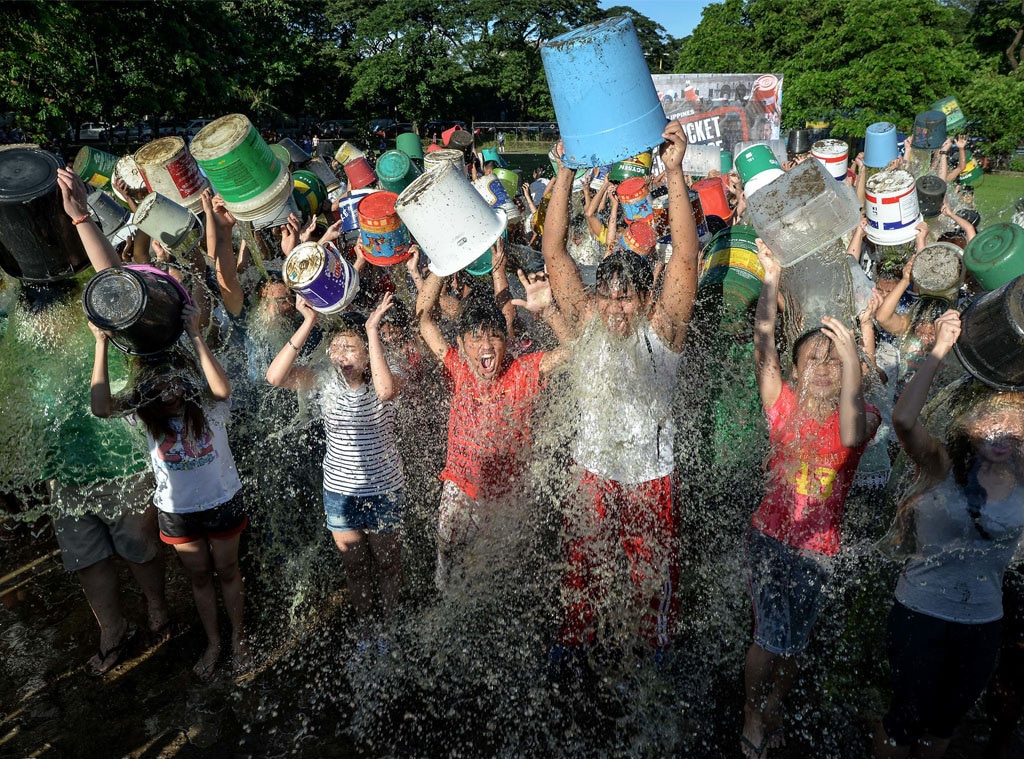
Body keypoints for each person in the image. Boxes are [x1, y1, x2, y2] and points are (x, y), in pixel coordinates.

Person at [541, 120, 700, 660]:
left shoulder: (663, 334)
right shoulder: (587, 322)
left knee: (649, 583)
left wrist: (674, 173)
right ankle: (574, 654)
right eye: (607, 297)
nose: (614, 309)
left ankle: (651, 662)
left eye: (625, 298)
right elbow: (554, 252)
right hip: (592, 472)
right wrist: (565, 173)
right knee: (580, 572)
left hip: (649, 480)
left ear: (645, 298)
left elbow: (685, 258)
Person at [741, 240, 879, 758]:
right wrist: (770, 279)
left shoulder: (860, 416)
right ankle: (752, 713)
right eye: (812, 360)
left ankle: (775, 704)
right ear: (796, 371)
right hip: (770, 539)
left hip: (819, 548)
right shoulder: (783, 405)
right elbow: (764, 346)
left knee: (795, 642)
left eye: (833, 361)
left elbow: (850, 434)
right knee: (769, 636)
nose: (822, 369)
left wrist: (854, 355)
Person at [875, 310, 1024, 758]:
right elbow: (904, 420)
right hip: (921, 614)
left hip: (983, 624)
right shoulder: (941, 464)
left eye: (1013, 419)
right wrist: (940, 348)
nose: (1001, 429)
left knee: (943, 726)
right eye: (991, 417)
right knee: (904, 722)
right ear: (970, 424)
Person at [90, 304, 249, 682]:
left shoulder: (209, 405)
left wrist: (195, 334)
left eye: (176, 382)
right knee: (199, 577)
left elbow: (222, 388)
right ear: (146, 389)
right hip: (178, 512)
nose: (168, 392)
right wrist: (101, 344)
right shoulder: (145, 414)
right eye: (158, 386)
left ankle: (239, 638)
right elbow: (101, 407)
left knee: (228, 570)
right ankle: (214, 643)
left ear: (188, 379)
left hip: (222, 500)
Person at [415, 244, 566, 590]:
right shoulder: (458, 367)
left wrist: (550, 312)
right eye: (476, 338)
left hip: (507, 499)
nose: (485, 346)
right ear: (461, 343)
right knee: (448, 560)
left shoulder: (524, 371)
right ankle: (445, 597)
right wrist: (441, 262)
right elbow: (423, 319)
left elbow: (574, 351)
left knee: (500, 578)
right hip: (460, 488)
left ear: (506, 341)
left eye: (494, 337)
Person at [266, 295, 406, 648]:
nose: (342, 356)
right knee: (355, 568)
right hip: (341, 493)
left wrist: (371, 331)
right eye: (337, 347)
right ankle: (366, 630)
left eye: (351, 348)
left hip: (384, 489)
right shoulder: (324, 380)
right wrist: (308, 322)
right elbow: (275, 376)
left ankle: (390, 627)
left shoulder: (389, 371)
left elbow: (386, 392)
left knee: (388, 564)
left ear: (368, 352)